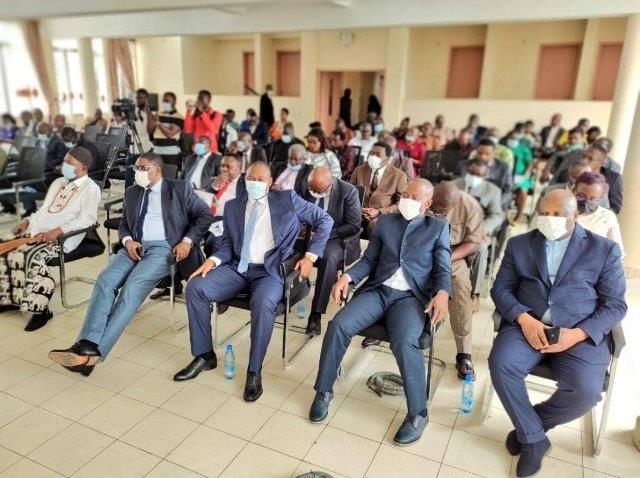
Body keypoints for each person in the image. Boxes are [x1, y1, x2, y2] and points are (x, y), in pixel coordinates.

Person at [489, 189, 626, 478]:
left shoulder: (604, 250)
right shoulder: (519, 244)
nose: (550, 219)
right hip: (528, 325)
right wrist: (524, 318)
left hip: (578, 331)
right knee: (501, 364)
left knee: (585, 392)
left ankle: (530, 427)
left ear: (575, 215)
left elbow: (615, 305)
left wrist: (578, 334)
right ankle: (535, 441)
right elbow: (500, 288)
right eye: (545, 213)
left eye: (558, 214)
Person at [174, 162, 333, 401]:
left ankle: (254, 371)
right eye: (251, 178)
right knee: (196, 288)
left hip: (270, 270)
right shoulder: (233, 206)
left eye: (260, 180)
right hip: (237, 268)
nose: (255, 183)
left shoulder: (287, 200)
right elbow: (227, 244)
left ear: (269, 182)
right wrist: (213, 261)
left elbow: (324, 221)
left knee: (263, 303)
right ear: (245, 180)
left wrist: (310, 257)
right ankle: (204, 355)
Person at [309, 178, 451, 445]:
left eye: (414, 197)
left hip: (410, 298)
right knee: (338, 324)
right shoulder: (385, 222)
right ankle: (323, 391)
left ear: (427, 203)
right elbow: (369, 260)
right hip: (378, 291)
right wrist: (347, 277)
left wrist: (443, 293)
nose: (407, 200)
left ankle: (418, 414)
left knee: (405, 342)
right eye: (404, 195)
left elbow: (443, 269)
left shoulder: (437, 228)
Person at [48, 152, 214, 376]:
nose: (137, 172)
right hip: (133, 246)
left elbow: (204, 216)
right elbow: (124, 224)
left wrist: (187, 241)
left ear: (157, 170)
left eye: (143, 169)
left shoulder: (179, 189)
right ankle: (87, 345)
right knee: (105, 281)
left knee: (131, 289)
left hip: (163, 248)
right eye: (136, 168)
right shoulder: (132, 192)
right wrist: (127, 241)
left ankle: (90, 356)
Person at [0, 147, 101, 331]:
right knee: (4, 246)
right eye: (65, 161)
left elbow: (87, 220)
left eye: (70, 163)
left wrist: (57, 231)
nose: (64, 165)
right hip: (36, 232)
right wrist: (27, 221)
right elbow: (43, 211)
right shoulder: (59, 182)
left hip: (62, 238)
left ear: (84, 168)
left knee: (29, 256)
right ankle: (11, 299)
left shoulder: (90, 189)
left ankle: (42, 310)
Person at [431, 182, 485, 379]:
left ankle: (464, 353)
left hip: (453, 255)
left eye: (443, 210)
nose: (437, 212)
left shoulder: (470, 206)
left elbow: (473, 243)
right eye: (434, 207)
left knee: (461, 286)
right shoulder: (425, 196)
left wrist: (447, 258)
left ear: (454, 204)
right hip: (421, 249)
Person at [302, 167, 362, 335]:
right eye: (312, 190)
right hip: (308, 233)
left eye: (319, 191)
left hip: (336, 237)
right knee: (284, 246)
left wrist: (324, 233)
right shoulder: (306, 186)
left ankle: (316, 314)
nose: (315, 194)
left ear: (330, 185)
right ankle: (280, 296)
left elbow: (354, 225)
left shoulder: (348, 191)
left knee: (328, 258)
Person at [350, 142, 407, 235]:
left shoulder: (399, 175)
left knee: (375, 224)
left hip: (383, 215)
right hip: (359, 212)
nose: (373, 157)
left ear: (388, 158)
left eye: (378, 154)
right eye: (371, 153)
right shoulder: (359, 170)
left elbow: (401, 203)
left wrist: (379, 212)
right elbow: (350, 195)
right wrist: (361, 209)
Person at [202, 154, 247, 257]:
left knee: (214, 242)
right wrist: (216, 184)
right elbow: (204, 197)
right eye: (222, 166)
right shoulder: (217, 179)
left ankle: (213, 264)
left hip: (226, 221)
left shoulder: (244, 184)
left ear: (240, 169)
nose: (224, 169)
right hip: (207, 217)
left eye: (229, 167)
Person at [574, 172, 624, 257]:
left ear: (600, 198)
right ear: (574, 191)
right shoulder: (563, 210)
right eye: (581, 196)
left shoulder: (607, 217)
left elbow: (616, 253)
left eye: (592, 198)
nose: (586, 201)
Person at [454, 159, 504, 238]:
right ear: (466, 170)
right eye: (472, 173)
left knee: (479, 245)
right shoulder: (453, 185)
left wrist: (483, 229)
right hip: (454, 226)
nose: (474, 177)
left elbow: (497, 215)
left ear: (484, 176)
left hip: (477, 230)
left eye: (479, 175)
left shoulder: (493, 191)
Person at [471, 139, 513, 209]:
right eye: (480, 153)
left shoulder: (504, 168)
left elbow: (508, 191)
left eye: (487, 154)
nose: (482, 157)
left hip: (495, 204)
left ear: (494, 153)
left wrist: (497, 204)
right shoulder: (466, 165)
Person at [582, 144, 623, 214]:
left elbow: (615, 207)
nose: (584, 161)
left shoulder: (613, 178)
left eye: (590, 158)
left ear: (601, 162)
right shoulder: (574, 172)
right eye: (583, 156)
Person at [184, 89, 223, 154]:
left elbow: (213, 129)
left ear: (209, 100)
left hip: (211, 152)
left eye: (201, 99)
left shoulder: (216, 114)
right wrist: (189, 111)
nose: (199, 101)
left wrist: (202, 113)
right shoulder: (196, 115)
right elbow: (187, 130)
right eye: (198, 98)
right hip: (197, 150)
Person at [507, 130, 534, 223]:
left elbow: (529, 164)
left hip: (522, 176)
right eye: (511, 138)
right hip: (508, 175)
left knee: (523, 191)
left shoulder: (524, 149)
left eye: (515, 139)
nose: (512, 140)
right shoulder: (506, 149)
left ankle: (518, 215)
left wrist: (525, 175)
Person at [153, 91, 184, 170]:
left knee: (170, 175)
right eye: (164, 100)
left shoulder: (178, 117)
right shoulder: (159, 115)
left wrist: (159, 124)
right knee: (157, 175)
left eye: (167, 100)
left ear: (174, 102)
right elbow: (150, 131)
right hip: (157, 152)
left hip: (171, 154)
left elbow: (170, 134)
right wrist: (149, 115)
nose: (165, 103)